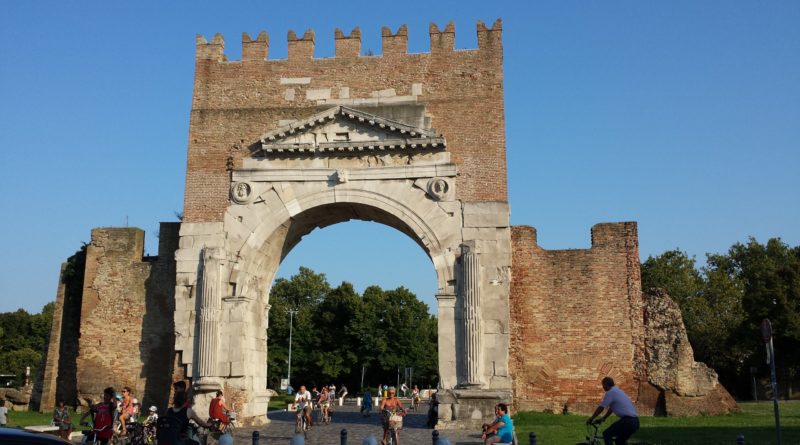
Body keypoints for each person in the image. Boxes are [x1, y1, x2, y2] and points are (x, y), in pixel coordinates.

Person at [586, 377, 640, 445]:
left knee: (607, 434)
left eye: (603, 385)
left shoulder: (610, 393)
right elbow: (611, 408)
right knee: (619, 441)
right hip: (635, 422)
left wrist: (592, 418)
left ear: (605, 385)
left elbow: (601, 407)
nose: (603, 387)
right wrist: (603, 418)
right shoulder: (618, 391)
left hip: (627, 421)